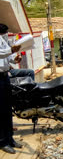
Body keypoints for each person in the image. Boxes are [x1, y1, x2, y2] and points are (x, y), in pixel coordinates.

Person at [0, 23, 23, 154]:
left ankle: (10, 139)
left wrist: (15, 58)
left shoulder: (3, 41)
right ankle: (2, 141)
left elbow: (7, 57)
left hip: (4, 76)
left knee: (8, 109)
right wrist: (11, 51)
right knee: (1, 111)